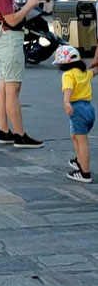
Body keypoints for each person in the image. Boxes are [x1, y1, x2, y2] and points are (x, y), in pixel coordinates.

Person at [0, 0, 45, 148]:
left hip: (2, 40)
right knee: (13, 90)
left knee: (3, 87)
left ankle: (4, 132)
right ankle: (20, 135)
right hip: (9, 40)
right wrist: (30, 5)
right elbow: (12, 20)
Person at [53, 43, 97, 182]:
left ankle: (84, 172)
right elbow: (94, 72)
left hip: (77, 109)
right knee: (75, 136)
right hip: (89, 109)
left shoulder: (68, 75)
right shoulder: (83, 73)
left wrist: (66, 102)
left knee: (82, 141)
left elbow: (68, 90)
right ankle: (79, 160)